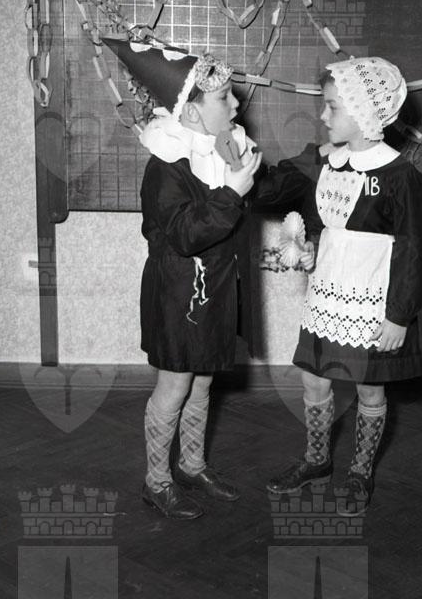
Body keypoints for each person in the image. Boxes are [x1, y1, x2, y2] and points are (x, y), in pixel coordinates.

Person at [104, 39, 309, 520]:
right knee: (175, 385)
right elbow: (184, 234)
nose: (236, 104)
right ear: (192, 112)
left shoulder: (225, 148)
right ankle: (156, 481)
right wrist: (231, 194)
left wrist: (314, 163)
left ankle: (192, 464)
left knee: (201, 382)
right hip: (178, 295)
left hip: (214, 290)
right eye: (223, 98)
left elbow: (265, 188)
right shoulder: (166, 165)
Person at [266, 56, 422, 515]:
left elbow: (414, 251)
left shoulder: (400, 176)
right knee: (313, 378)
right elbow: (316, 217)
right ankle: (317, 459)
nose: (323, 115)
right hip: (328, 296)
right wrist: (312, 248)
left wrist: (399, 316)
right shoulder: (329, 164)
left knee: (369, 389)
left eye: (332, 107)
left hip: (373, 304)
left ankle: (360, 472)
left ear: (364, 112)